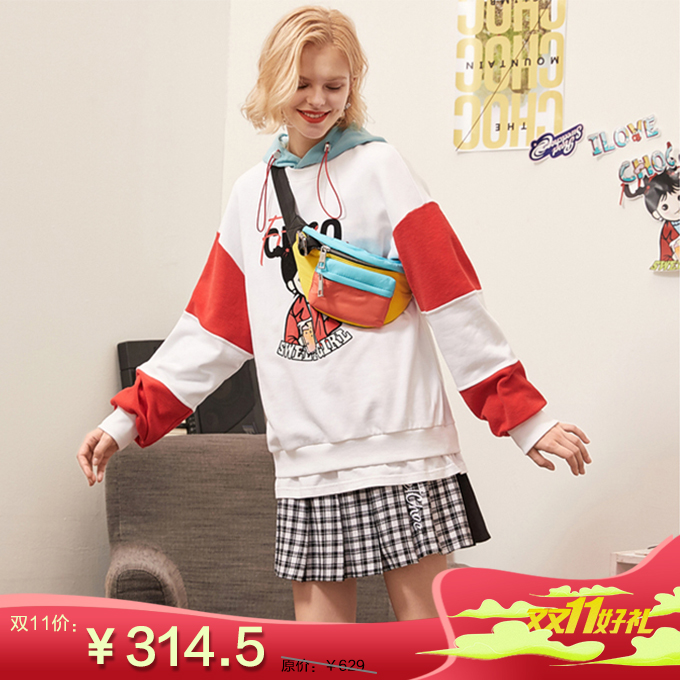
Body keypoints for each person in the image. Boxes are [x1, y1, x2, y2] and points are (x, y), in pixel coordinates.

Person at [77, 5, 590, 623]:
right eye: (302, 83)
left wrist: (524, 418)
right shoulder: (251, 195)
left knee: (429, 646)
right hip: (309, 463)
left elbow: (452, 299)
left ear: (352, 87)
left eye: (334, 85)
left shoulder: (381, 169)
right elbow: (211, 332)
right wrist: (127, 419)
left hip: (402, 450)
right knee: (322, 660)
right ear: (273, 82)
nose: (318, 100)